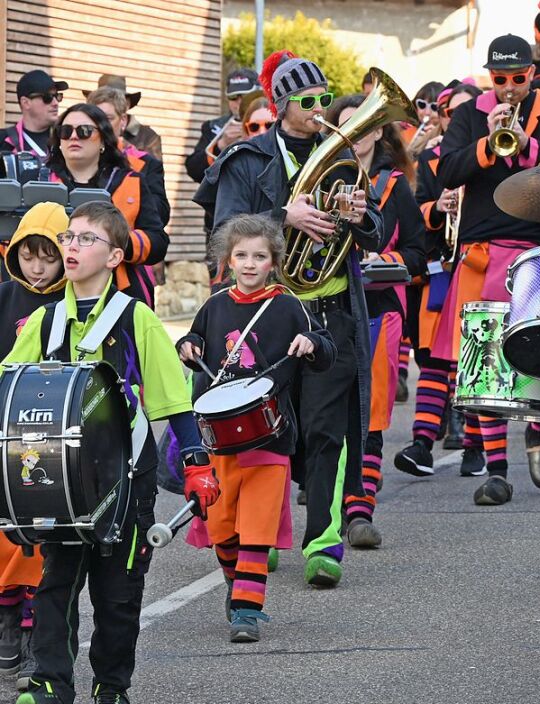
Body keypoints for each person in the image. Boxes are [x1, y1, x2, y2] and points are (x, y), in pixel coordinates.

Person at [7, 201, 219, 704]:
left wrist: (195, 463)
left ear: (115, 255)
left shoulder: (135, 317)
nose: (71, 247)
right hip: (59, 480)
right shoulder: (45, 320)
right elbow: (10, 387)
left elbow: (173, 400)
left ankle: (112, 687)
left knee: (118, 590)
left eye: (85, 239)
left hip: (125, 476)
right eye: (68, 238)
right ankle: (52, 690)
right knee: (56, 583)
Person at [194, 51, 384, 589]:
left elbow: (377, 230)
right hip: (266, 314)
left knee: (328, 432)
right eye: (308, 102)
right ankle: (261, 533)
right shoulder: (248, 158)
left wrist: (359, 214)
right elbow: (226, 226)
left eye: (326, 98)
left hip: (332, 311)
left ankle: (324, 541)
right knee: (264, 432)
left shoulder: (342, 154)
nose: (321, 109)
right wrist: (283, 216)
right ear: (281, 106)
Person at [435, 33, 540, 506]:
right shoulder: (467, 115)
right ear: (489, 78)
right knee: (484, 363)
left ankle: (539, 435)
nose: (510, 87)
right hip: (483, 249)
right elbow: (444, 173)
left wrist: (526, 146)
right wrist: (485, 144)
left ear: (532, 74)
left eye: (519, 78)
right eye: (501, 79)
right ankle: (496, 471)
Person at [177, 215, 335, 641]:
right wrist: (187, 348)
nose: (250, 264)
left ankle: (247, 610)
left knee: (257, 526)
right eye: (241, 255)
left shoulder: (287, 305)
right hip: (221, 438)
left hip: (270, 433)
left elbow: (327, 349)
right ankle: (236, 582)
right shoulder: (214, 305)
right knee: (222, 526)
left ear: (273, 262)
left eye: (259, 256)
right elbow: (191, 341)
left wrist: (312, 342)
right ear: (227, 261)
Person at [328, 95, 426, 549]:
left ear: (378, 133)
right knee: (325, 411)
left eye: (366, 126)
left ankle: (361, 508)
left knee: (372, 411)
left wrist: (381, 258)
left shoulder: (394, 185)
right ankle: (329, 504)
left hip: (379, 306)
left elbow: (419, 253)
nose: (356, 134)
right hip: (327, 307)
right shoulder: (321, 179)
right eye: (347, 126)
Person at [394, 81, 487, 480]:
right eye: (454, 113)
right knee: (433, 360)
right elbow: (411, 211)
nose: (461, 119)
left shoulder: (492, 155)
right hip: (439, 271)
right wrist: (437, 207)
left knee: (474, 361)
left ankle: (475, 444)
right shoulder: (430, 160)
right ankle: (421, 443)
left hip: (479, 267)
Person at [0, 202, 68, 690]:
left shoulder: (74, 305)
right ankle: (6, 622)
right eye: (29, 256)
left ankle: (30, 630)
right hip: (5, 426)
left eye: (48, 256)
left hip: (47, 435)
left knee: (38, 532)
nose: (38, 268)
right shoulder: (4, 298)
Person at [45, 104, 169, 308]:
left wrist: (113, 240)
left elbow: (158, 242)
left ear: (103, 139)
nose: (74, 137)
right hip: (52, 292)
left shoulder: (131, 181)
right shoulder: (41, 181)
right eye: (65, 131)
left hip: (118, 294)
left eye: (84, 131)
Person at [87, 86, 170, 227]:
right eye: (94, 119)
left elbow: (160, 216)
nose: (101, 126)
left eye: (108, 118)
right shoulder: (74, 158)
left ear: (123, 121)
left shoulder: (144, 164)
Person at [185, 68, 260, 185]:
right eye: (233, 97)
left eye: (245, 96)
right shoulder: (213, 127)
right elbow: (194, 171)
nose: (239, 102)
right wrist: (221, 145)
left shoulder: (272, 123)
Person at [83, 75, 162, 160]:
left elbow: (152, 170)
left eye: (116, 99)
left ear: (127, 104)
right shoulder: (85, 132)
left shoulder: (148, 136)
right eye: (102, 100)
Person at [3, 70, 67, 159]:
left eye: (57, 96)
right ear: (26, 103)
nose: (55, 102)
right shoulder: (3, 143)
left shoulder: (66, 138)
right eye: (47, 97)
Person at [403, 81, 445, 160]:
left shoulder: (445, 138)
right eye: (422, 105)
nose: (427, 112)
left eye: (434, 107)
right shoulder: (404, 134)